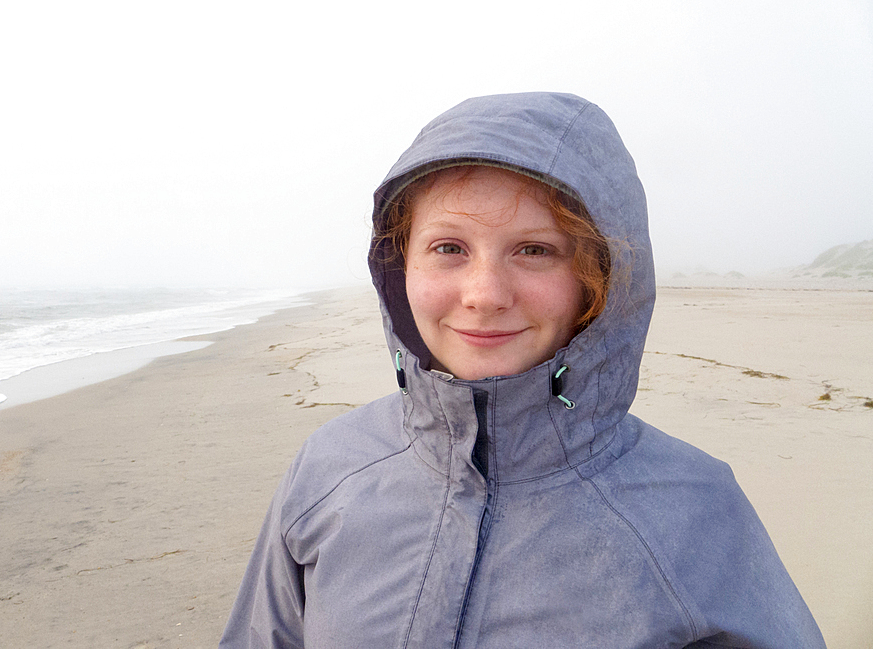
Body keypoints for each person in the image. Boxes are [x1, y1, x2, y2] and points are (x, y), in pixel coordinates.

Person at [219, 92, 825, 648]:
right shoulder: (330, 467)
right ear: (399, 265)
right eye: (449, 248)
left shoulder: (693, 507)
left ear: (601, 279)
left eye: (535, 250)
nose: (484, 295)